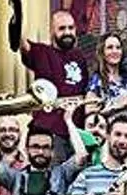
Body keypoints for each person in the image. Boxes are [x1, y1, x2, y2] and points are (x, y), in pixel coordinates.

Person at [0, 117, 87, 195]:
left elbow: (81, 155)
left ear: (52, 151)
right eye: (35, 147)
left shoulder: (61, 173)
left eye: (46, 147)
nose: (40, 152)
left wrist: (68, 121)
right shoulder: (16, 177)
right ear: (26, 150)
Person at [20, 9, 88, 165]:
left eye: (71, 28)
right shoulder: (42, 53)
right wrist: (16, 16)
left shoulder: (80, 57)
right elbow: (22, 44)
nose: (67, 32)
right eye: (62, 28)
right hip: (52, 133)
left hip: (77, 132)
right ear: (51, 31)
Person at [86, 32, 127, 119]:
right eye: (110, 47)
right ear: (102, 52)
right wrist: (116, 106)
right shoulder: (96, 81)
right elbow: (90, 115)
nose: (115, 51)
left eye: (118, 47)